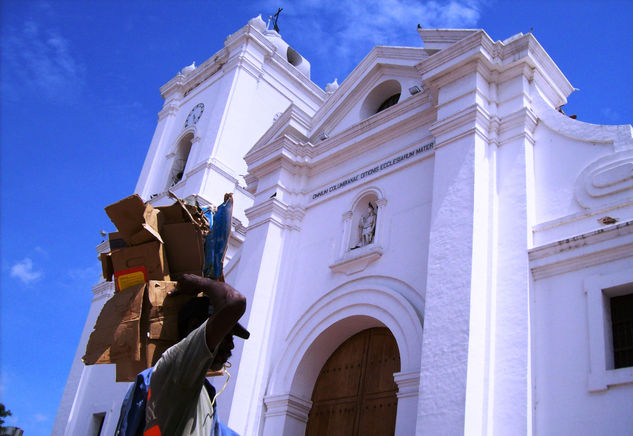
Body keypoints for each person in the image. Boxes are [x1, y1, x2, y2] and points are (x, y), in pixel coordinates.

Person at [143, 274, 248, 436]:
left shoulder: (199, 389)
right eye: (226, 333)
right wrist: (199, 283)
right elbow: (234, 302)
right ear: (194, 327)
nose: (232, 344)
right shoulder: (176, 365)